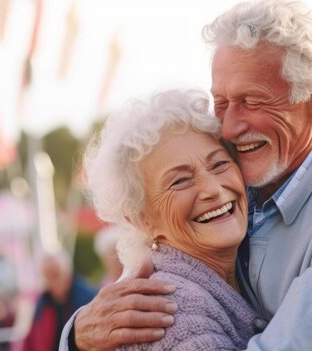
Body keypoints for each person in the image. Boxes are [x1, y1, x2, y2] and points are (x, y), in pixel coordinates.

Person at [63, 1, 312, 350]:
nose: (229, 127)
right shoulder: (239, 187)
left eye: (252, 101)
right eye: (222, 103)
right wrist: (77, 334)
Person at [84, 89, 266, 350]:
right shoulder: (170, 315)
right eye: (180, 181)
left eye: (219, 165)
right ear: (140, 219)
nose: (213, 189)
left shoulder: (249, 264)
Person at [22, 251, 96, 351]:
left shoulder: (89, 298)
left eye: (55, 274)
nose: (52, 281)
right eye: (47, 275)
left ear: (67, 272)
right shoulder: (41, 304)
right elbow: (30, 342)